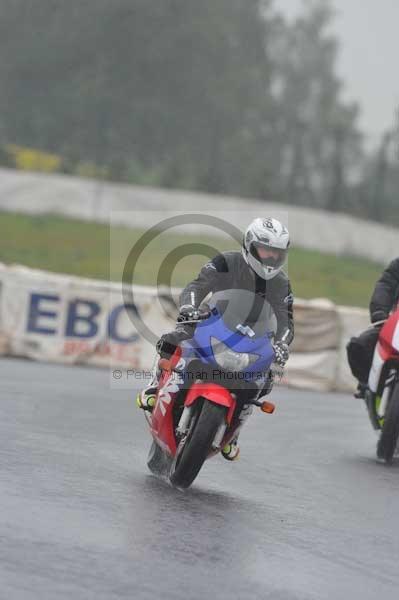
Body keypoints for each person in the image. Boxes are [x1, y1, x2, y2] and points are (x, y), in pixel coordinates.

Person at [137, 217, 294, 460]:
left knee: (266, 378)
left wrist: (283, 343)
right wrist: (189, 308)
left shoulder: (281, 283)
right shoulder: (225, 261)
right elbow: (196, 287)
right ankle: (153, 386)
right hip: (212, 321)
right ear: (249, 245)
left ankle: (234, 432)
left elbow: (286, 320)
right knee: (172, 339)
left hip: (252, 338)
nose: (270, 258)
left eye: (276, 254)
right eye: (265, 251)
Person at [348, 257, 399, 398]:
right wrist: (379, 312)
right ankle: (366, 384)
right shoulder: (398, 264)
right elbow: (385, 285)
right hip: (396, 326)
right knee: (360, 345)